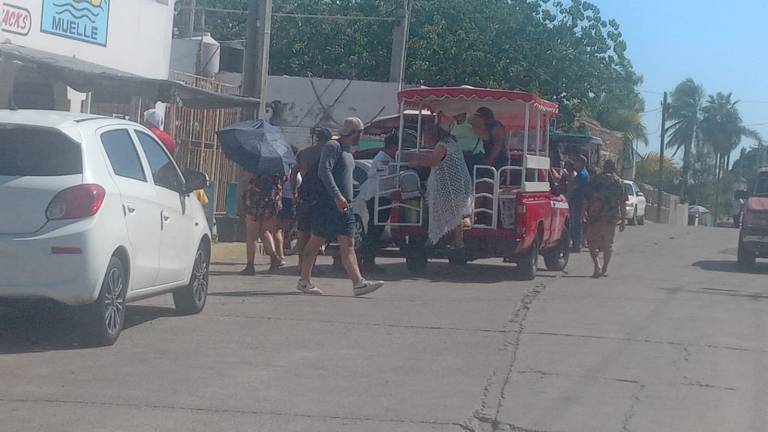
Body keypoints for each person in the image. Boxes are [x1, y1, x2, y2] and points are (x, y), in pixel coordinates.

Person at [298, 118, 384, 296]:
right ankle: (305, 280)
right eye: (361, 133)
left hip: (343, 205)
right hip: (329, 203)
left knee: (347, 243)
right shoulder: (333, 146)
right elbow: (324, 171)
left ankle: (358, 283)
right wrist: (337, 196)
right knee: (316, 242)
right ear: (356, 132)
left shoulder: (347, 151)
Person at [409, 120, 474, 248]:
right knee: (457, 213)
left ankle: (452, 240)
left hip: (451, 184)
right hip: (460, 182)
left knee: (453, 213)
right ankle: (457, 239)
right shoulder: (452, 142)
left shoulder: (442, 145)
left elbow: (434, 161)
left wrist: (417, 162)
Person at [292, 127, 332, 275]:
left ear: (316, 138)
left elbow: (295, 171)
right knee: (316, 235)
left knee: (303, 232)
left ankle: (300, 265)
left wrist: (294, 190)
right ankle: (311, 266)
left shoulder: (304, 153)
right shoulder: (330, 152)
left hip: (305, 196)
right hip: (322, 197)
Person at [359, 132, 399, 271]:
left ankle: (365, 259)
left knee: (376, 230)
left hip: (382, 197)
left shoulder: (386, 158)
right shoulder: (384, 159)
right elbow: (376, 174)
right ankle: (365, 259)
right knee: (374, 230)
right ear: (393, 146)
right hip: (378, 197)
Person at [584, 160, 627, 278]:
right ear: (614, 168)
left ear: (604, 167)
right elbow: (622, 203)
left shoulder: (595, 179)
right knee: (608, 244)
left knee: (591, 241)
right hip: (610, 216)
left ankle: (597, 265)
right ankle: (604, 269)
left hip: (595, 215)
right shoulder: (619, 182)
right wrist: (623, 220)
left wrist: (583, 213)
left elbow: (587, 198)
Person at [240, 172, 285, 275]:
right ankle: (274, 258)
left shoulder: (258, 167)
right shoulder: (279, 169)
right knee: (264, 231)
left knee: (252, 235)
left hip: (255, 200)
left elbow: (251, 182)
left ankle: (250, 266)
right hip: (271, 200)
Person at [569, 155, 590, 252]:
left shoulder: (582, 174)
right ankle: (579, 243)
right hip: (579, 200)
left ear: (581, 163)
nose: (574, 164)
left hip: (579, 201)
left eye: (576, 162)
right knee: (578, 222)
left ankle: (576, 245)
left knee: (576, 223)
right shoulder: (582, 173)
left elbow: (573, 186)